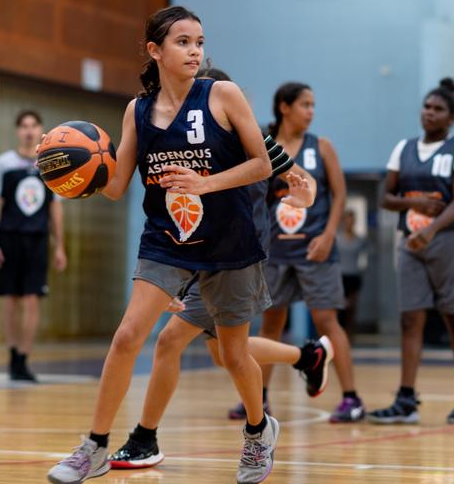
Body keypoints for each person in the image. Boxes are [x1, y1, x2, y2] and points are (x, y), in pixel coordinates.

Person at [47, 7, 302, 484]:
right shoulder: (136, 111)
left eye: (199, 42)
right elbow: (119, 185)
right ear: (155, 50)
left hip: (230, 241)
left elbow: (262, 167)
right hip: (166, 238)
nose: (194, 51)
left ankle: (257, 430)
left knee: (233, 355)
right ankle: (95, 446)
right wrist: (72, 171)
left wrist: (205, 184)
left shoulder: (222, 95)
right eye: (183, 42)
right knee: (128, 336)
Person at [107, 67, 333, 470]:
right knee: (222, 352)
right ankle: (306, 357)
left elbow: (304, 182)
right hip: (194, 253)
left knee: (180, 344)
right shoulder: (172, 140)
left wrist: (303, 198)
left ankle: (147, 436)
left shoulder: (251, 138)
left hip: (233, 256)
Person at [228, 82, 366, 423]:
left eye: (313, 105)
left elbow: (338, 194)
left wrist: (329, 234)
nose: (311, 111)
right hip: (273, 251)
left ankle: (351, 399)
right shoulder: (261, 142)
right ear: (284, 107)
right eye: (305, 104)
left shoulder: (322, 147)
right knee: (271, 321)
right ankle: (258, 398)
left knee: (326, 320)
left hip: (314, 249)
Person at [368, 78, 454, 424]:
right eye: (427, 107)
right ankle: (405, 398)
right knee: (410, 319)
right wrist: (413, 202)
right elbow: (385, 198)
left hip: (450, 240)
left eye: (438, 109)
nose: (430, 113)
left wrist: (431, 229)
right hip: (411, 242)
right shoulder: (404, 148)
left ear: (451, 118)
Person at [0, 110, 67, 382]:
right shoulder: (4, 164)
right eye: (23, 126)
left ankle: (24, 357)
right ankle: (12, 356)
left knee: (32, 300)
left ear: (41, 129)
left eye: (33, 125)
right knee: (10, 299)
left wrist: (60, 246)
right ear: (17, 131)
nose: (29, 130)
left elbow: (56, 207)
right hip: (9, 238)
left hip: (36, 240)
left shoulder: (50, 164)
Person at [336, 209, 368, 338]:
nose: (349, 222)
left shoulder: (360, 240)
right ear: (343, 221)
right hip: (340, 277)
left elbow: (364, 259)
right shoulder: (337, 239)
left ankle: (350, 336)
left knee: (352, 308)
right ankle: (339, 335)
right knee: (340, 307)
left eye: (352, 220)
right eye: (347, 220)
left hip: (354, 276)